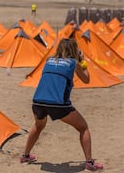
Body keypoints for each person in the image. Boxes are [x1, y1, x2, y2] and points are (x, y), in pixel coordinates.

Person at [20, 38, 103, 171]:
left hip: (38, 101)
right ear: (74, 50)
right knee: (83, 128)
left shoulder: (48, 61)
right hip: (58, 104)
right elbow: (86, 79)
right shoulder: (73, 62)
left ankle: (25, 155)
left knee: (38, 126)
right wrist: (83, 61)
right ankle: (89, 162)